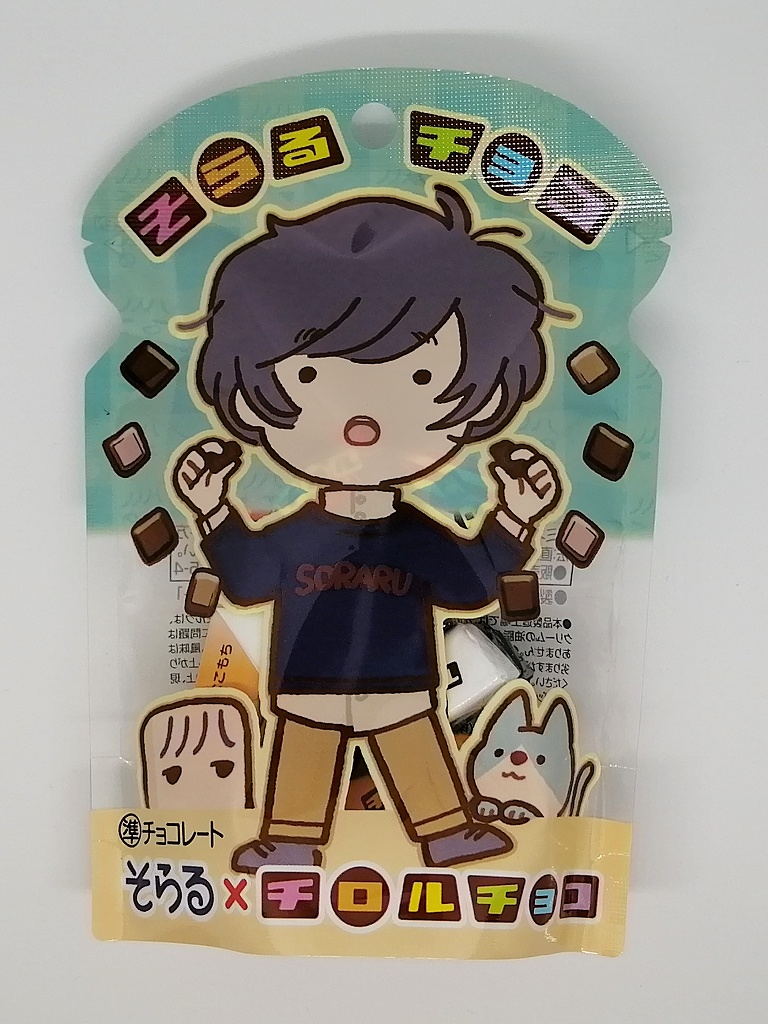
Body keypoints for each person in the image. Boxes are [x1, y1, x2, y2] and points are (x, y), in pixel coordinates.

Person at [172, 184, 568, 871]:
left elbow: (471, 584)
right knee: (304, 751)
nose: (362, 421)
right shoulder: (299, 531)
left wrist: (514, 517)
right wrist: (211, 508)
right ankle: (290, 840)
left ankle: (445, 831)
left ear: (478, 400)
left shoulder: (415, 532)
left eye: (421, 376)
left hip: (402, 674)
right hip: (307, 674)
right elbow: (249, 577)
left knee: (415, 747)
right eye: (308, 376)